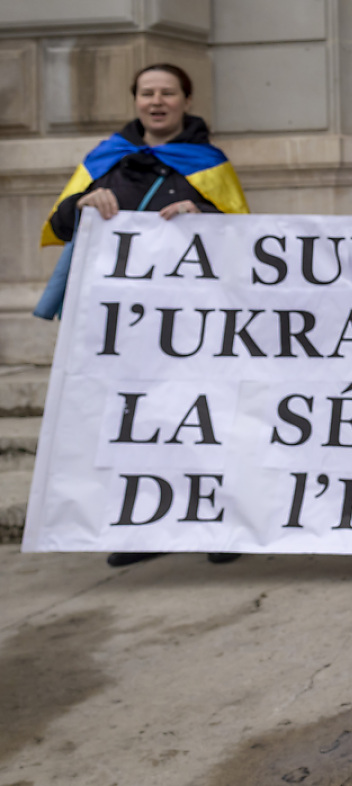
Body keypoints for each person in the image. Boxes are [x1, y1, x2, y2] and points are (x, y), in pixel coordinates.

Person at [41, 62, 250, 568]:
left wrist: (205, 220)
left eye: (168, 93)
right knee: (135, 421)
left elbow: (243, 237)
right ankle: (145, 528)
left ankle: (218, 527)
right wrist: (87, 202)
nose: (157, 102)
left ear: (186, 100)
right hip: (121, 323)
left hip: (190, 319)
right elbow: (61, 222)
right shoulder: (105, 158)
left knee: (200, 419)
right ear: (135, 100)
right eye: (147, 93)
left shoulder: (208, 163)